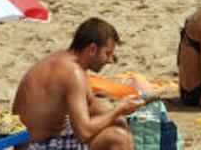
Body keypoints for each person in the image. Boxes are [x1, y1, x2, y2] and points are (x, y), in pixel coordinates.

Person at [13, 18, 141, 149]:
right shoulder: (73, 73)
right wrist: (118, 109)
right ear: (92, 49)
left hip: (41, 138)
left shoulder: (66, 60)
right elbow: (84, 133)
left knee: (119, 122)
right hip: (35, 145)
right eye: (107, 53)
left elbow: (92, 105)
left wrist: (124, 109)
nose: (110, 61)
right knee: (117, 139)